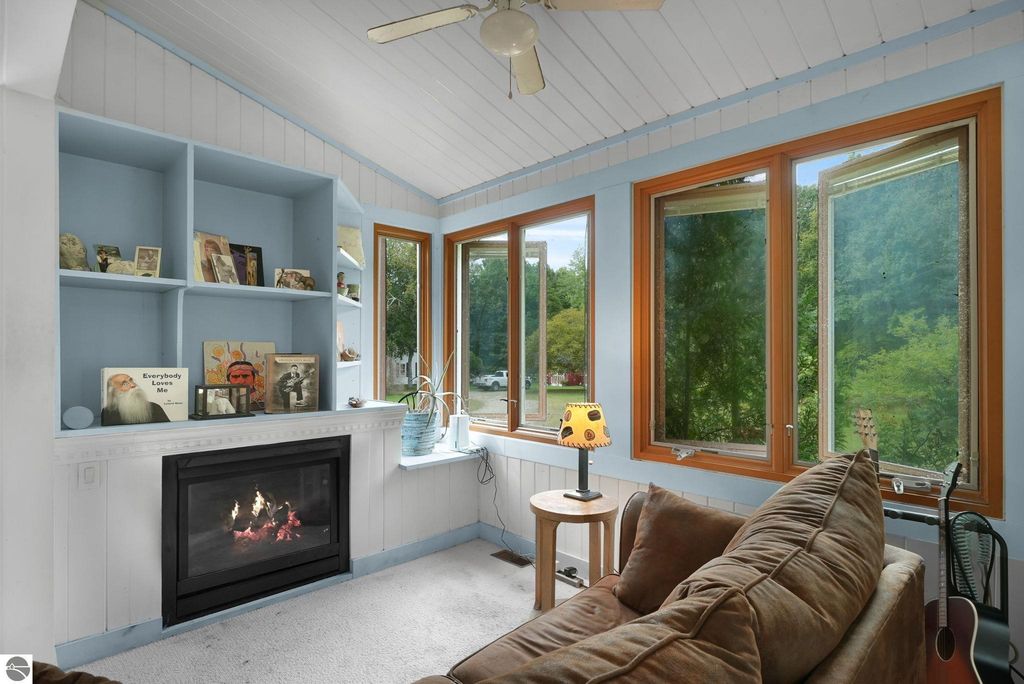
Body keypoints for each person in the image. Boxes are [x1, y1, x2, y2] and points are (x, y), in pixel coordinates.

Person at [101, 373, 170, 425]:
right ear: (115, 392)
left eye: (131, 380)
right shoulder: (107, 413)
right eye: (125, 384)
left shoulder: (155, 408)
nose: (133, 385)